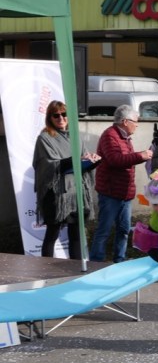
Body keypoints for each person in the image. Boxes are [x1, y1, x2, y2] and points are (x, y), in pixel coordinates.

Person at [32, 100, 100, 259]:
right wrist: (76, 160)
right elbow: (48, 165)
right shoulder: (45, 138)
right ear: (50, 118)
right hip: (56, 195)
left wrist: (93, 160)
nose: (61, 118)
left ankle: (74, 269)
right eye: (56, 115)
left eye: (64, 114)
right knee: (52, 234)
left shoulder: (76, 138)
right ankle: (46, 268)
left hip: (76, 192)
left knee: (76, 234)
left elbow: (83, 164)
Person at [89, 105, 152, 263]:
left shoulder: (125, 137)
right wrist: (141, 156)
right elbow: (115, 160)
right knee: (104, 230)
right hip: (110, 192)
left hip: (125, 193)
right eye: (135, 121)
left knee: (123, 230)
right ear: (125, 121)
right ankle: (95, 262)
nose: (137, 125)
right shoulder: (110, 135)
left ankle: (119, 260)